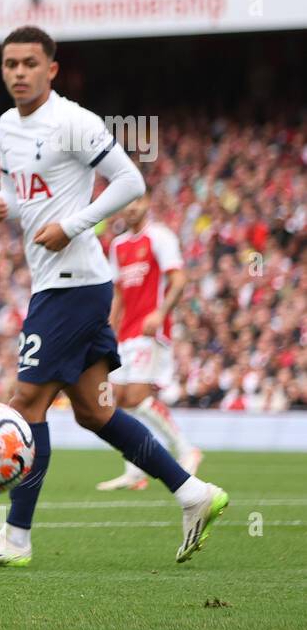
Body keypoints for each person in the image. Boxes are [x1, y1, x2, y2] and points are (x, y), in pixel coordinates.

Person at [0, 26, 226, 568]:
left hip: (72, 285)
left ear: (52, 68)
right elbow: (16, 185)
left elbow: (129, 183)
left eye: (30, 63)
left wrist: (74, 224)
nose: (19, 73)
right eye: (10, 64)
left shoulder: (74, 122)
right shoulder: (7, 126)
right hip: (60, 283)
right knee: (95, 414)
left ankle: (16, 539)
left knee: (25, 405)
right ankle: (193, 493)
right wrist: (3, 203)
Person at [97, 194, 203, 491]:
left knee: (137, 397)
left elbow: (179, 279)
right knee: (117, 400)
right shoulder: (118, 245)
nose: (131, 208)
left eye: (137, 202)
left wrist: (161, 313)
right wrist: (110, 326)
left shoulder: (159, 237)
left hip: (149, 331)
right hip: (125, 334)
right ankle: (134, 469)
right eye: (127, 202)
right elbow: (118, 292)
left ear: (146, 204)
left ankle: (186, 449)